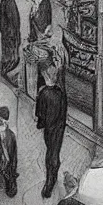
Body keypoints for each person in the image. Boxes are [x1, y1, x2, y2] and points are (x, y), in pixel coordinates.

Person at [36, 64, 67, 198]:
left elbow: (40, 113)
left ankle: (50, 182)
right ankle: (53, 173)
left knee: (50, 153)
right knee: (55, 150)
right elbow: (63, 111)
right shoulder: (60, 93)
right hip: (59, 127)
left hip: (49, 128)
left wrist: (40, 124)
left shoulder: (43, 93)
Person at [0, 0, 21, 76]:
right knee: (8, 52)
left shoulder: (10, 2)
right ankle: (6, 69)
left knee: (12, 52)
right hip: (8, 34)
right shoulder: (5, 2)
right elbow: (0, 20)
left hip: (11, 33)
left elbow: (16, 20)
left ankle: (8, 69)